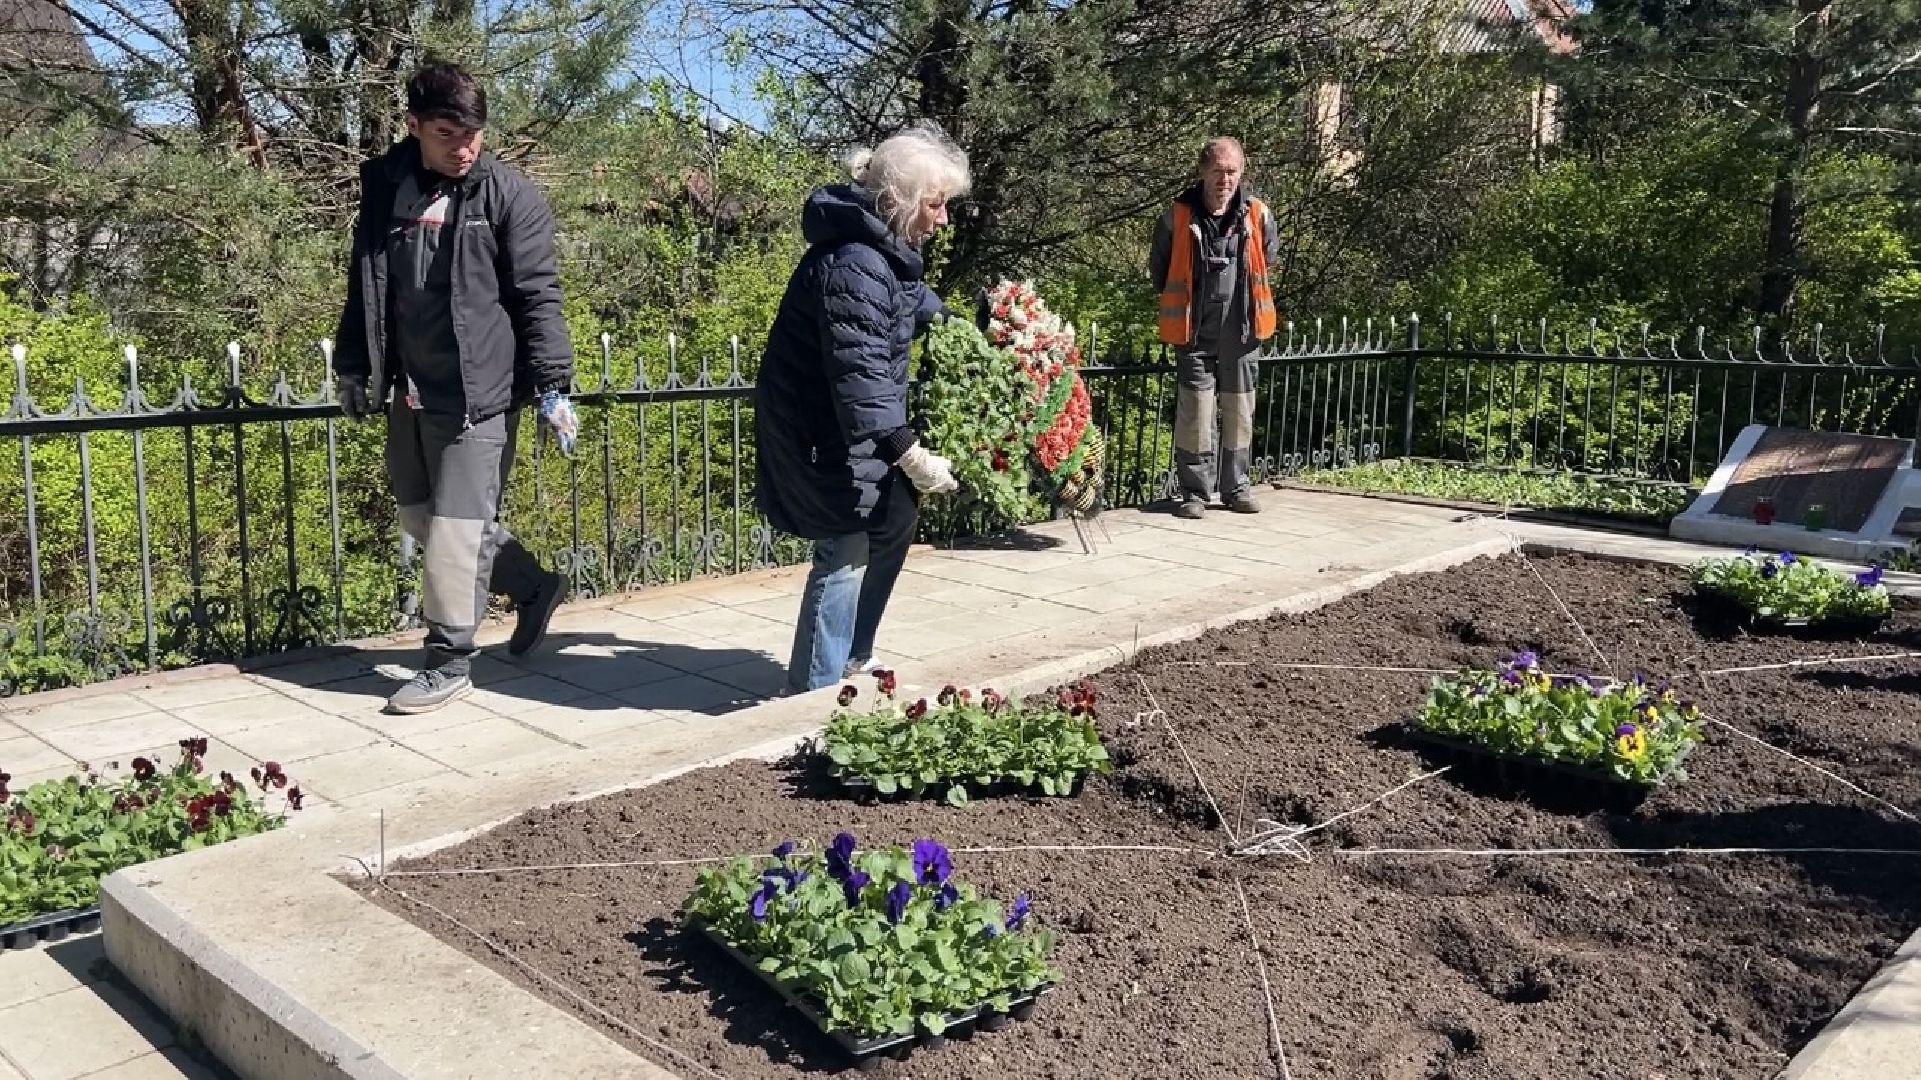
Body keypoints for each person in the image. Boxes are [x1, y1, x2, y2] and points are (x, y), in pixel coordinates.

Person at [332, 61, 578, 714]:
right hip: (411, 390)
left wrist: (553, 385)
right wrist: (354, 364)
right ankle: (532, 587)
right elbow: (365, 284)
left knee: (454, 534)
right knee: (421, 516)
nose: (464, 148)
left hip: (480, 394)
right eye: (447, 134)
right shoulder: (386, 187)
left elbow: (537, 293)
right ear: (413, 126)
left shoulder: (507, 194)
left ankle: (447, 663)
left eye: (473, 135)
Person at [755, 121, 971, 694]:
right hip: (815, 430)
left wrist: (980, 328)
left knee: (894, 518)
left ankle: (854, 655)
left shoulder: (887, 255)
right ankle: (815, 691)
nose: (942, 218)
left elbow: (920, 306)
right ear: (900, 202)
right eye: (935, 204)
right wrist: (907, 450)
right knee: (845, 544)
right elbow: (860, 373)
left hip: (847, 426)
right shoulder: (854, 262)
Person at [1148, 136, 1281, 518]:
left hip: (1242, 334)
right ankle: (1194, 493)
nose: (1225, 179)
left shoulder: (1257, 214)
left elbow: (1265, 261)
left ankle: (1237, 489)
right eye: (1218, 171)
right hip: (1193, 333)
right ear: (1202, 170)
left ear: (1242, 171)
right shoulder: (1176, 217)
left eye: (1232, 171)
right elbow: (1159, 271)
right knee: (1195, 415)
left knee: (1240, 414)